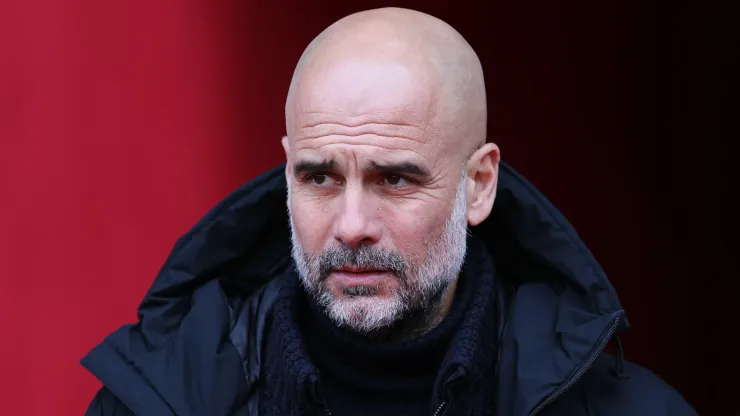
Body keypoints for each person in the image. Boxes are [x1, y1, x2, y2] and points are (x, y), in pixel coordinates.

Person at [82, 7, 696, 416]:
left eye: (396, 178)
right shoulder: (155, 400)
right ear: (288, 171)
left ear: (479, 185)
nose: (351, 226)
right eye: (320, 177)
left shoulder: (629, 410)